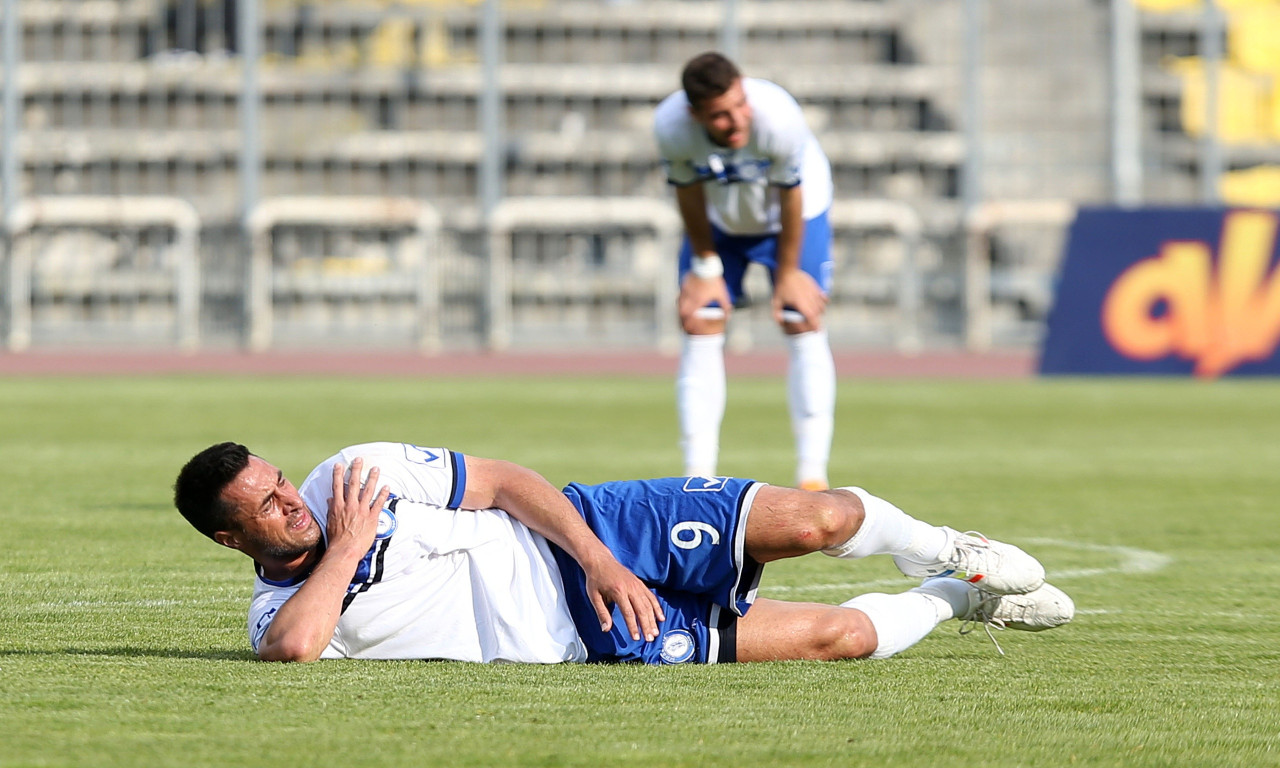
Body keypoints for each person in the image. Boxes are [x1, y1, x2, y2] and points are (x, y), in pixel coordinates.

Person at [172, 441, 1073, 664]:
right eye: (266, 505)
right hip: (586, 638)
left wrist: (600, 556)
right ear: (229, 538)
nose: (293, 501)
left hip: (589, 533)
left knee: (817, 522)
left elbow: (503, 482)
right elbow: (294, 648)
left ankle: (950, 548)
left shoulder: (354, 472)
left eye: (282, 480)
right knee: (836, 639)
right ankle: (964, 598)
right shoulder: (278, 614)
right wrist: (351, 549)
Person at [654, 52, 838, 490]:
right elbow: (689, 194)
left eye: (740, 106)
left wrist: (789, 271)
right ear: (694, 114)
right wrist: (704, 266)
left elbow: (791, 194)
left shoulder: (778, 118)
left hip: (792, 217)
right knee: (701, 318)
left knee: (801, 318)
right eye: (720, 115)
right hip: (720, 220)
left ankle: (812, 474)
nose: (737, 121)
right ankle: (696, 479)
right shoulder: (670, 127)